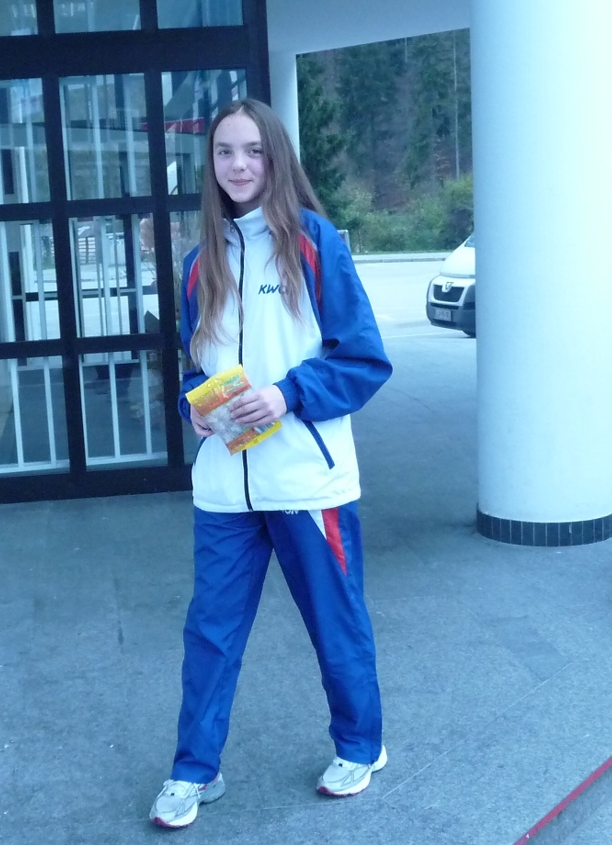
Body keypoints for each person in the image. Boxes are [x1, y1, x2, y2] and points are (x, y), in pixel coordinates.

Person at [149, 98, 393, 829]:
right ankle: (194, 769)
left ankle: (360, 744)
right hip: (224, 486)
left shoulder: (315, 244)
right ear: (210, 164)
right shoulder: (198, 264)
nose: (239, 165)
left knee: (334, 623)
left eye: (253, 150)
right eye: (225, 151)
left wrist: (286, 395)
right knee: (210, 634)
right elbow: (194, 367)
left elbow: (364, 360)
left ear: (276, 157)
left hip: (307, 482)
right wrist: (194, 404)